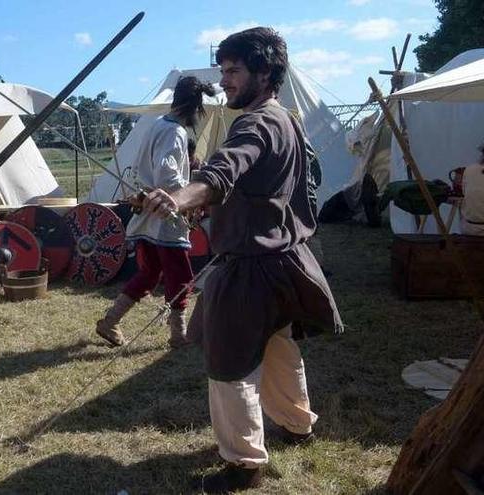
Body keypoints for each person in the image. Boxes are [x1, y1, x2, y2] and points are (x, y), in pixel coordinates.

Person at [142, 27, 343, 492]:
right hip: (284, 261)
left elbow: (222, 170)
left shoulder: (255, 124)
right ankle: (298, 425)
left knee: (229, 364)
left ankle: (244, 463)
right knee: (278, 349)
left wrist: (183, 196)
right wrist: (206, 205)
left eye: (234, 71)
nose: (225, 81)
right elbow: (258, 187)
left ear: (266, 72)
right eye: (224, 70)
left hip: (252, 268)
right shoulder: (288, 120)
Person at [95, 76, 215, 349]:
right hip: (165, 215)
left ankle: (110, 321)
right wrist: (189, 196)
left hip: (147, 214)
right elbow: (166, 173)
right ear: (195, 105)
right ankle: (178, 335)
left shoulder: (158, 125)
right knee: (181, 276)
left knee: (150, 273)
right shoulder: (175, 131)